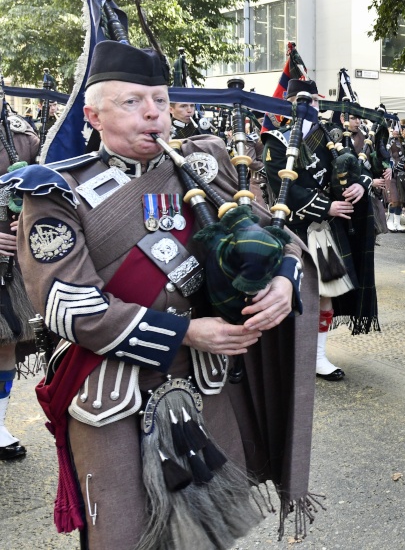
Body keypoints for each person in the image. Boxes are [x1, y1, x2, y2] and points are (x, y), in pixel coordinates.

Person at [11, 41, 317, 547]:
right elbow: (71, 307)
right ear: (93, 114)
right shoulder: (58, 191)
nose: (153, 112)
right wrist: (187, 332)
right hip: (113, 393)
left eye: (158, 98)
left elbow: (277, 237)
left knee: (210, 536)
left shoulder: (204, 163)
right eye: (131, 101)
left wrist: (284, 280)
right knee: (123, 537)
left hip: (206, 385)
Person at [263, 78, 358, 382]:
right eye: (305, 101)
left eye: (315, 101)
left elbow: (351, 167)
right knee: (291, 294)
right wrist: (325, 206)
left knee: (326, 293)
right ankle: (288, 354)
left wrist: (357, 182)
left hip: (322, 231)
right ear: (289, 104)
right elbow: (284, 188)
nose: (311, 107)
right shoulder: (275, 141)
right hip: (292, 229)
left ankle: (317, 357)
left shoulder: (327, 135)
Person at [0, 109, 39, 461]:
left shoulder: (22, 137)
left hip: (10, 265)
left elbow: (49, 188)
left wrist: (29, 220)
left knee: (6, 342)